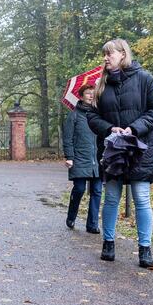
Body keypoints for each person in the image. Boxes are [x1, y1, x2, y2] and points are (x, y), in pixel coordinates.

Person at [86, 38, 153, 268]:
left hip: (140, 150)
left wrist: (135, 128)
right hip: (113, 151)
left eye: (109, 54)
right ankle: (108, 243)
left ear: (123, 54)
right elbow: (91, 117)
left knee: (141, 198)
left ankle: (145, 249)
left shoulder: (145, 79)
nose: (105, 58)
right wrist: (110, 128)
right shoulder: (101, 85)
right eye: (104, 54)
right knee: (111, 198)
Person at [62, 83, 102, 234]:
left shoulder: (100, 115)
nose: (91, 95)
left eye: (94, 93)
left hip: (97, 160)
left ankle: (92, 225)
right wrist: (69, 157)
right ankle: (71, 216)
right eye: (88, 93)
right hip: (79, 158)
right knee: (79, 189)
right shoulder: (74, 115)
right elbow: (68, 138)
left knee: (97, 191)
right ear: (81, 96)